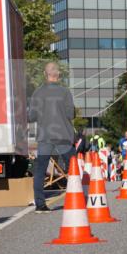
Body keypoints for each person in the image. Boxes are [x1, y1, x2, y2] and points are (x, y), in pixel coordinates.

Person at [28, 61, 76, 214]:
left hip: (45, 135)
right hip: (64, 135)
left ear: (45, 74)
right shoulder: (65, 92)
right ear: (58, 74)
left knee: (40, 170)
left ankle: (40, 205)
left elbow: (31, 116)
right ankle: (76, 199)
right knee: (72, 168)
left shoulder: (37, 92)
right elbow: (70, 114)